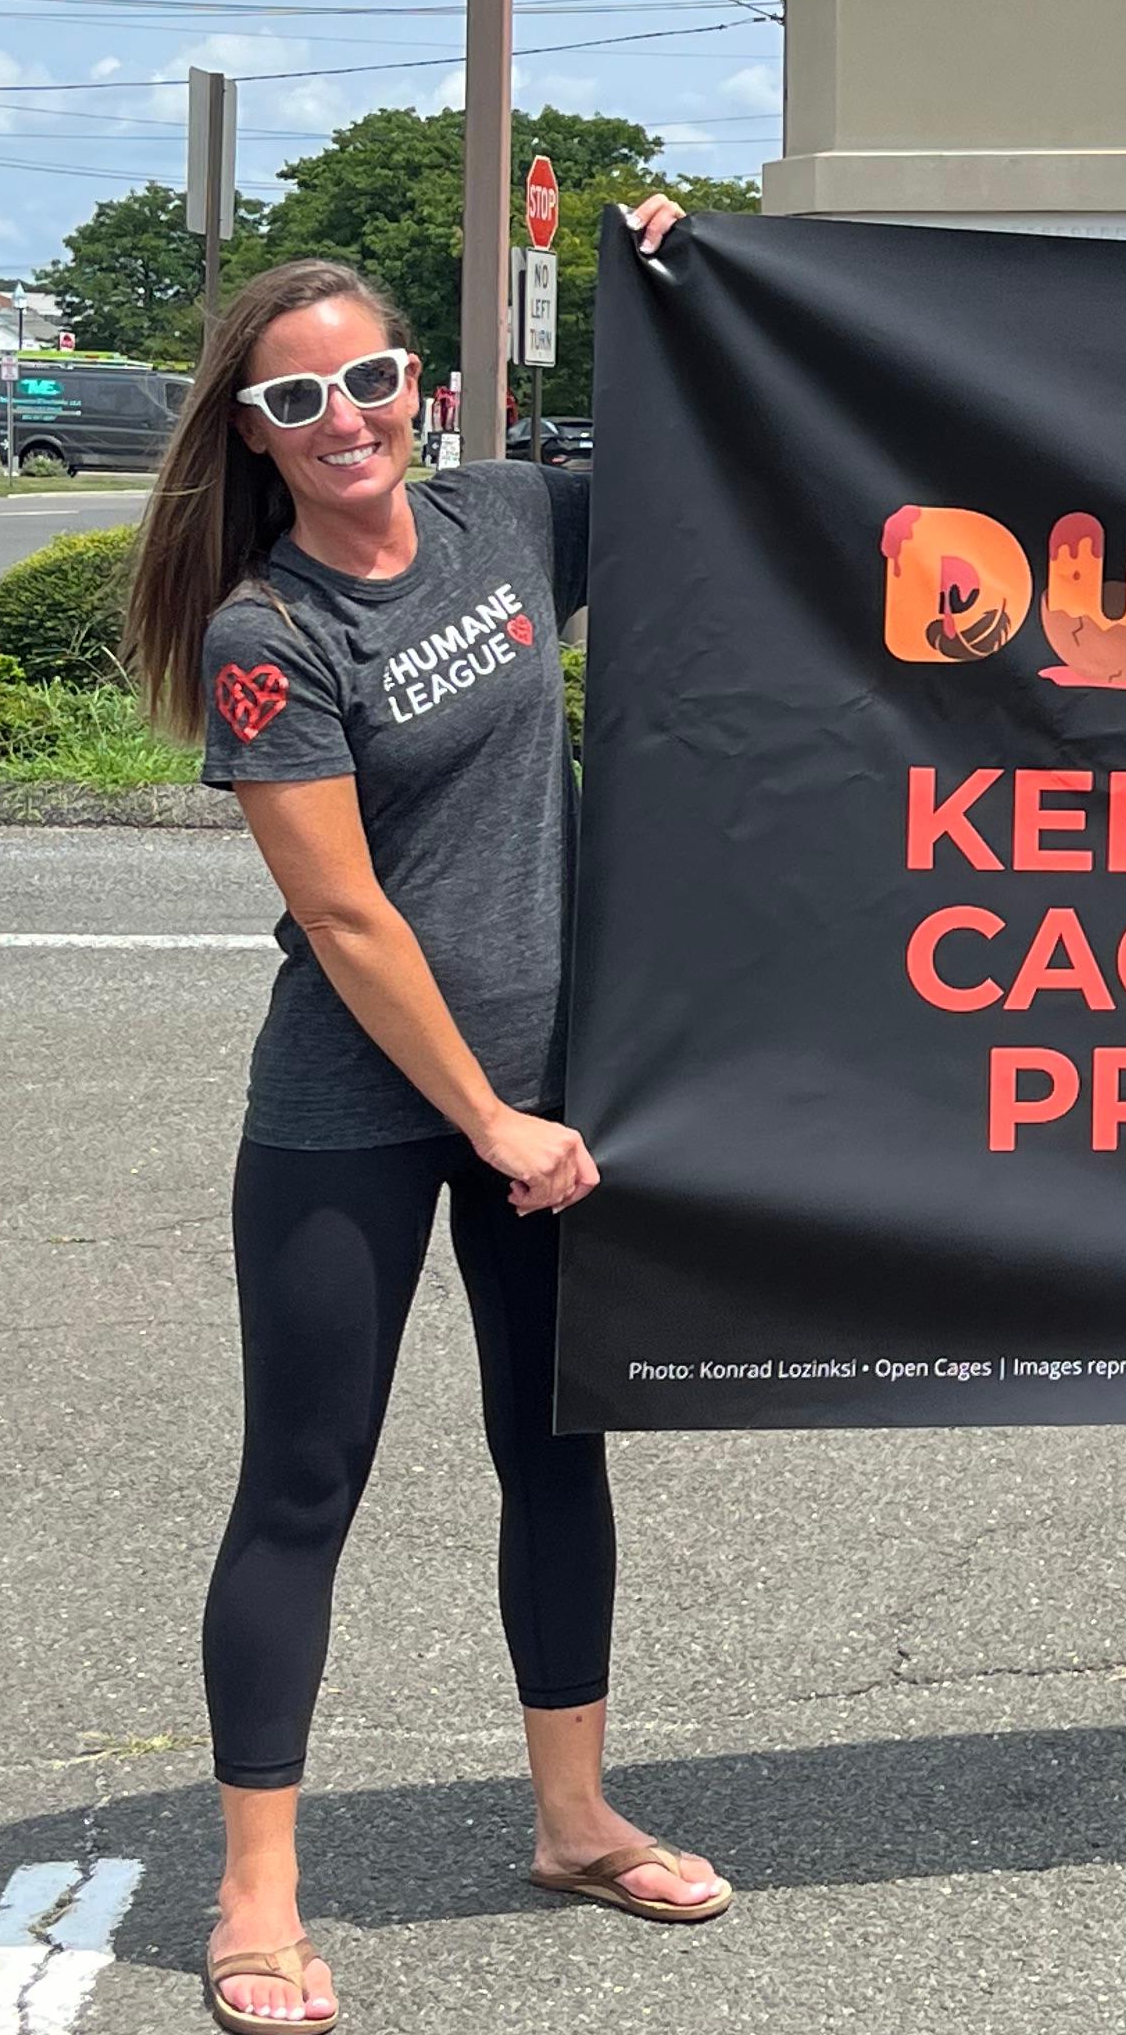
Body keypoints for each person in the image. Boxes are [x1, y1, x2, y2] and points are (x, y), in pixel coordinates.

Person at [121, 231, 723, 2033]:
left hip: (552, 1095)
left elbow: (735, 474)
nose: (344, 418)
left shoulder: (507, 522)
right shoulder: (267, 635)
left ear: (421, 387)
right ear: (249, 430)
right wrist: (493, 1118)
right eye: (296, 397)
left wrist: (700, 294)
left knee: (558, 1457)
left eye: (369, 380)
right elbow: (353, 918)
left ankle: (573, 1818)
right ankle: (254, 1895)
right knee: (305, 1485)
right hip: (363, 1114)